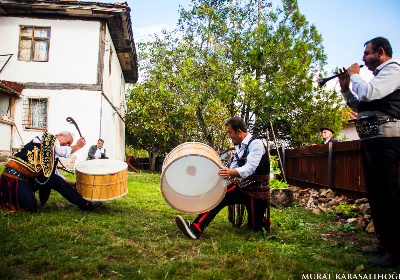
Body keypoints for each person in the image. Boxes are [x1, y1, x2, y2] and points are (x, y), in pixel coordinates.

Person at [338, 37, 400, 268]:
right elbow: (359, 105)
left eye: (367, 53)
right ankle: (385, 244)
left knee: (388, 195)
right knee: (376, 196)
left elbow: (369, 94)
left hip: (385, 140)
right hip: (372, 140)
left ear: (381, 51)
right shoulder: (378, 78)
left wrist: (355, 75)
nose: (363, 59)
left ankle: (396, 252)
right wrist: (346, 89)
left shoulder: (393, 71)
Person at [175, 117, 270, 239]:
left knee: (256, 228)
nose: (229, 135)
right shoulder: (239, 146)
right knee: (219, 198)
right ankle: (195, 228)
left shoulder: (256, 144)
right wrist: (220, 179)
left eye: (230, 132)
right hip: (241, 188)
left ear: (239, 131)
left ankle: (261, 221)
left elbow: (249, 168)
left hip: (257, 192)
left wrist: (230, 173)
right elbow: (234, 167)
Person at [0, 131, 102, 212]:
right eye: (67, 142)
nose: (66, 145)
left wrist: (76, 184)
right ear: (60, 135)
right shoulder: (47, 137)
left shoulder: (50, 153)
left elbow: (59, 179)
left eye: (68, 144)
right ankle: (8, 195)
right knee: (31, 209)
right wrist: (77, 146)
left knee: (55, 180)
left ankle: (83, 204)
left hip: (29, 180)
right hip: (14, 178)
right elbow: (61, 151)